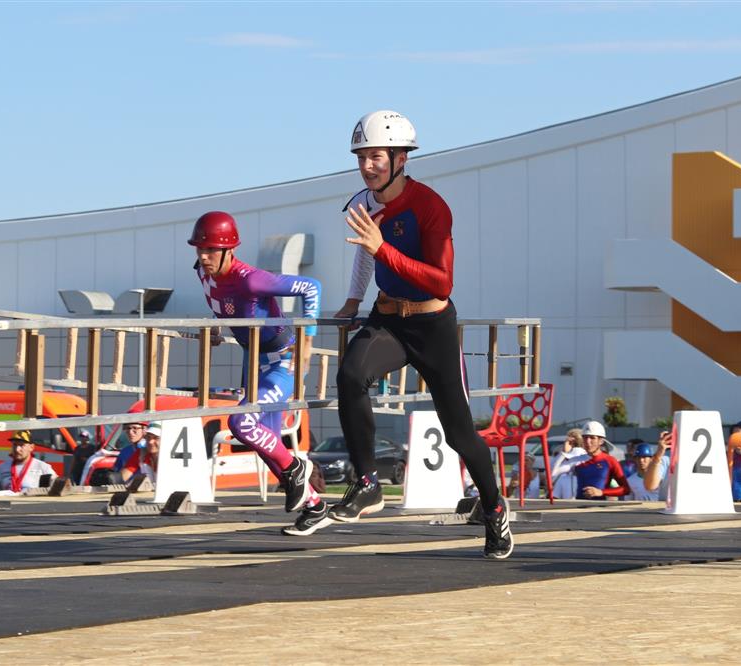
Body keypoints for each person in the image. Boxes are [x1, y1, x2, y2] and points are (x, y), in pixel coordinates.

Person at [328, 110, 514, 559]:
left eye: (376, 156)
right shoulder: (362, 200)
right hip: (388, 318)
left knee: (459, 434)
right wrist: (354, 300)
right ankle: (368, 483)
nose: (367, 165)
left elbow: (440, 282)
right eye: (361, 157)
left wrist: (382, 248)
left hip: (432, 324)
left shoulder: (431, 206)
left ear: (400, 158)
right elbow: (364, 255)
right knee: (351, 375)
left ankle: (493, 508)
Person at [188, 210, 325, 535]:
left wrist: (307, 342)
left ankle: (296, 468)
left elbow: (311, 287)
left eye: (210, 251)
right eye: (200, 250)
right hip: (254, 361)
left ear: (229, 250)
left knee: (241, 422)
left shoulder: (250, 278)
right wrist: (219, 330)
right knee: (266, 444)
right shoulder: (203, 273)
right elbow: (221, 304)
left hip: (283, 362)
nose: (204, 257)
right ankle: (315, 506)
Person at [550, 421, 631, 500]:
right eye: (585, 438)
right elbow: (552, 475)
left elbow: (626, 489)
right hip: (578, 509)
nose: (588, 442)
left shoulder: (610, 460)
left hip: (599, 509)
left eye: (592, 438)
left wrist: (601, 492)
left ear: (601, 441)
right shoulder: (577, 460)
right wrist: (563, 453)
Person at [0, 430, 56, 494]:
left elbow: (58, 488)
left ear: (31, 447)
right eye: (15, 445)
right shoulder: (2, 467)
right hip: (8, 505)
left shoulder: (43, 467)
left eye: (21, 445)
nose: (17, 449)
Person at [550, 428, 586, 499]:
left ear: (570, 442)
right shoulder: (587, 454)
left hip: (569, 495)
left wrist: (564, 453)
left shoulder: (571, 455)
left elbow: (553, 475)